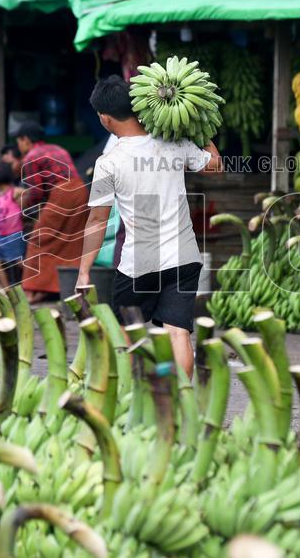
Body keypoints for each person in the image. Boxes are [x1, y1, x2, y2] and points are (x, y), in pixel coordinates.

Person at [76, 75, 222, 377]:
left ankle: (135, 395)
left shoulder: (108, 161)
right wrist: (199, 129)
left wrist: (84, 271)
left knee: (127, 332)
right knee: (178, 333)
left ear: (105, 118)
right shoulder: (173, 142)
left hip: (138, 262)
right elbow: (215, 165)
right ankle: (182, 400)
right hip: (184, 256)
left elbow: (97, 220)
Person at [12, 121, 88, 302]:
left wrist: (23, 204)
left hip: (63, 194)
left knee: (39, 239)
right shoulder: (57, 148)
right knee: (71, 240)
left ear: (25, 140)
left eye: (19, 141)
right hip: (81, 191)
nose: (19, 145)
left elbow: (37, 193)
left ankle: (32, 289)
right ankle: (64, 287)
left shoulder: (30, 156)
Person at [0, 161, 25, 288]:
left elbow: (27, 192)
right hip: (1, 236)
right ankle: (7, 289)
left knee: (19, 263)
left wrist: (22, 200)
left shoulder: (14, 192)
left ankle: (33, 284)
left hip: (14, 235)